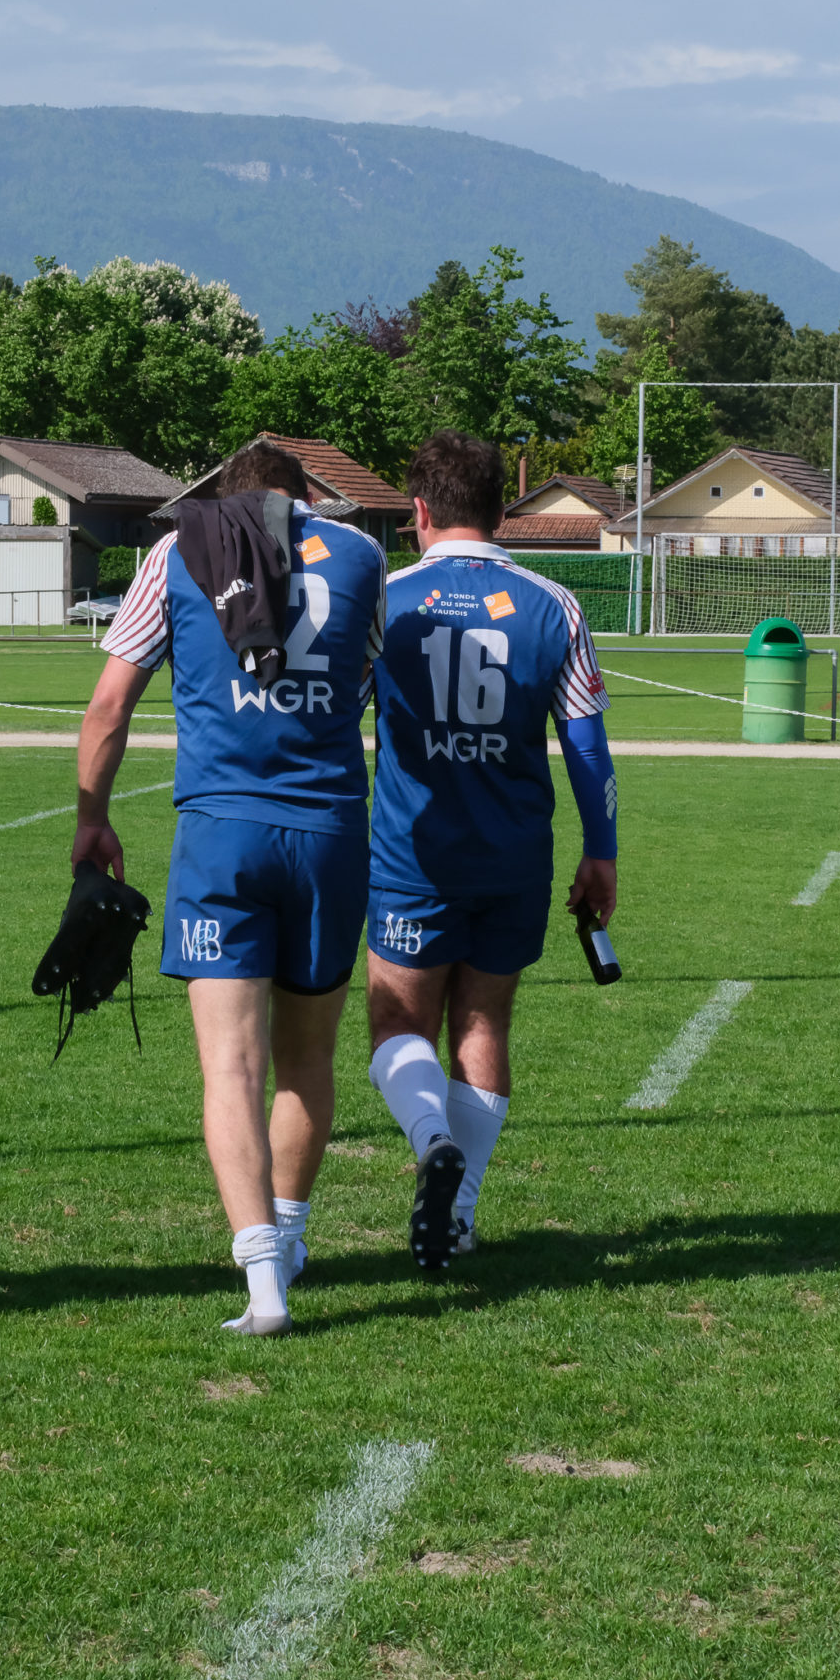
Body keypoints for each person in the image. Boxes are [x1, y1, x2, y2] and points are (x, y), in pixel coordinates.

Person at [75, 440, 387, 1335]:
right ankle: (290, 1240)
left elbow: (109, 706)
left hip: (222, 831)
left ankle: (262, 1282)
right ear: (301, 497)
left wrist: (91, 818)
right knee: (307, 1060)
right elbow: (372, 679)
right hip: (329, 830)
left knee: (231, 1067)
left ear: (225, 501)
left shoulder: (179, 550)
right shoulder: (363, 555)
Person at [363, 430, 618, 1262]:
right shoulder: (554, 605)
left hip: (413, 854)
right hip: (515, 857)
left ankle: (431, 1140)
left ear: (420, 510)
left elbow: (328, 719)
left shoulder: (385, 600)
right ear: (502, 511)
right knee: (483, 1023)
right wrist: (602, 852)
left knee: (397, 1022)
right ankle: (459, 1215)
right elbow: (586, 746)